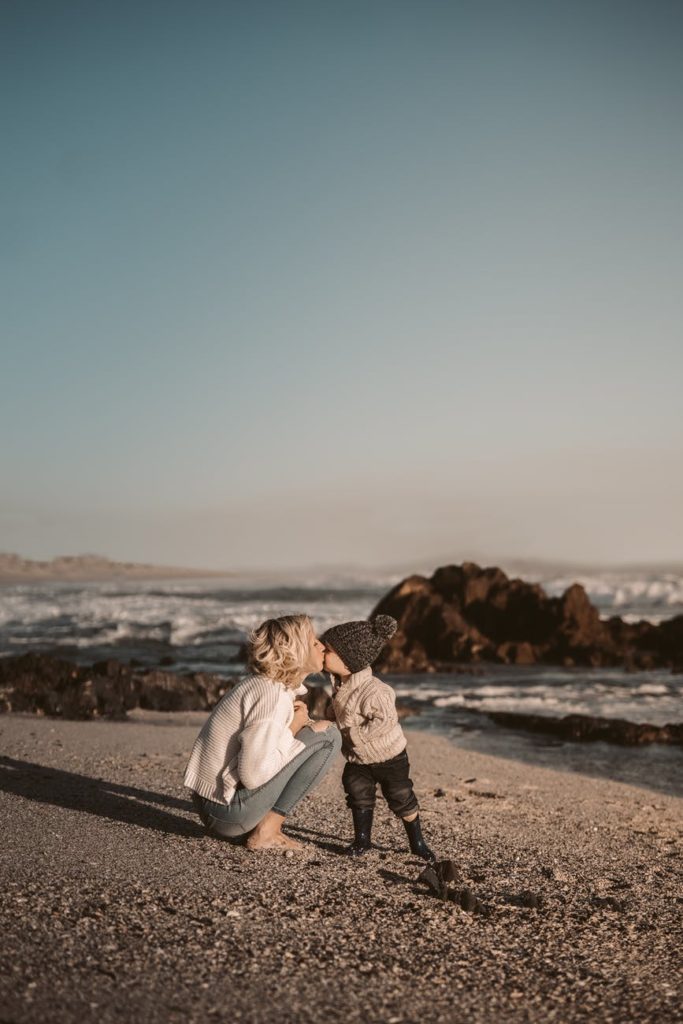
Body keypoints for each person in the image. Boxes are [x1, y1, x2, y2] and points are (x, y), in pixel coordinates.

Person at [184, 614, 341, 851]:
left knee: (313, 733)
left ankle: (262, 827)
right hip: (227, 812)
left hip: (217, 804)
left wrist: (294, 729)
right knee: (328, 737)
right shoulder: (272, 695)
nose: (322, 645)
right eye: (313, 642)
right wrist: (294, 728)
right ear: (294, 651)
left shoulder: (268, 685)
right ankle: (267, 831)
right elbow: (253, 775)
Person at [321, 614, 435, 861]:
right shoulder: (341, 683)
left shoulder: (376, 691)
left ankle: (417, 842)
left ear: (349, 659)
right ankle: (362, 840)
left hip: (389, 757)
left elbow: (385, 721)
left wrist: (353, 735)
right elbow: (341, 709)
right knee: (357, 791)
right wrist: (330, 715)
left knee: (400, 797)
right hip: (358, 758)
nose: (322, 652)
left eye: (327, 650)